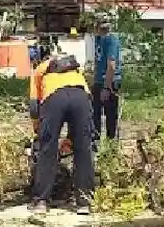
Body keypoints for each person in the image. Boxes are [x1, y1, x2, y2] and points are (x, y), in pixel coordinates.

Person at [28, 52, 96, 215]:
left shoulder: (39, 70)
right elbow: (85, 98)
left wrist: (38, 131)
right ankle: (83, 202)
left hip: (54, 98)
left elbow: (33, 106)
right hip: (81, 98)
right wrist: (71, 138)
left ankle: (41, 201)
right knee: (83, 149)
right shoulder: (76, 72)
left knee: (47, 149)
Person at [91, 14, 123, 146]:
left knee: (102, 117)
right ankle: (104, 145)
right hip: (103, 82)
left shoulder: (109, 41)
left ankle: (106, 146)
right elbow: (104, 63)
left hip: (107, 82)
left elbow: (111, 65)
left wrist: (106, 87)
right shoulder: (103, 40)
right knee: (103, 117)